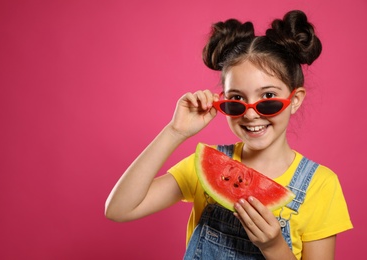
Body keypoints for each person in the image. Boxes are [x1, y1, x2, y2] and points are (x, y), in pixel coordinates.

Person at [105, 10, 353, 259]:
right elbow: (119, 209)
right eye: (236, 99)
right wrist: (174, 132)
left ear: (295, 100)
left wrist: (273, 247)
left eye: (267, 97)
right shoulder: (205, 164)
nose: (251, 114)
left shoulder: (320, 185)